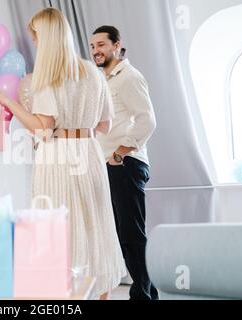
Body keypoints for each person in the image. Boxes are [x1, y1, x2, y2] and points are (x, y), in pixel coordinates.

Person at [0, 8, 126, 300]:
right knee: (94, 226)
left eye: (36, 36)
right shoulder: (92, 71)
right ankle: (102, 296)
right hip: (89, 153)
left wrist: (5, 99)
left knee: (62, 230)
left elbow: (42, 127)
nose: (34, 42)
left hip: (58, 158)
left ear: (47, 37)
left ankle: (67, 296)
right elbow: (105, 123)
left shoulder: (49, 78)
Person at [90, 26, 158, 300]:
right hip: (108, 164)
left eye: (102, 45)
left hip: (126, 163)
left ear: (117, 45)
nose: (96, 50)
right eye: (93, 46)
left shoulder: (129, 76)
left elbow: (147, 120)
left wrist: (119, 153)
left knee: (131, 235)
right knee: (121, 235)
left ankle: (144, 296)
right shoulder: (102, 80)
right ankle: (146, 294)